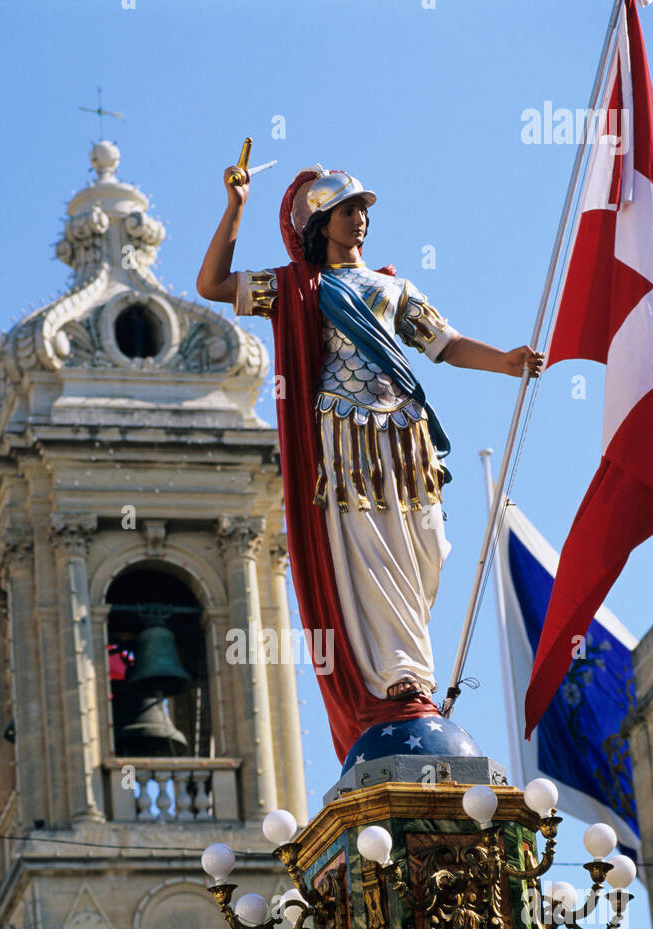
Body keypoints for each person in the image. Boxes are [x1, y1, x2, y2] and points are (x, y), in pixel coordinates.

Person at [196, 164, 543, 762]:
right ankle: (399, 678)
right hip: (344, 434)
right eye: (348, 210)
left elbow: (446, 344)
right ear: (321, 224)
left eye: (363, 210)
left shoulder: (394, 288)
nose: (359, 220)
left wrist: (505, 362)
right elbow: (213, 284)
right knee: (368, 544)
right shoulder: (297, 286)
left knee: (425, 547)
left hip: (405, 433)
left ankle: (412, 665)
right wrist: (236, 207)